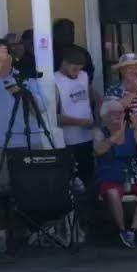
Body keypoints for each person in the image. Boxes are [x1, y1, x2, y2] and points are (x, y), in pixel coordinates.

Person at [0, 39, 51, 254]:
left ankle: (36, 233)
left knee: (32, 190)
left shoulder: (26, 78)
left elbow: (41, 108)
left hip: (27, 140)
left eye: (6, 52)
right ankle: (0, 237)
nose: (5, 55)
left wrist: (22, 93)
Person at [93, 99, 137, 248]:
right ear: (105, 116)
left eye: (121, 113)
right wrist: (120, 130)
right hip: (110, 172)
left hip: (132, 173)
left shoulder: (132, 132)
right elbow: (99, 150)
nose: (119, 116)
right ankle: (122, 230)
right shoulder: (99, 132)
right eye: (114, 113)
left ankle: (132, 230)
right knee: (113, 193)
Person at [53, 49, 99, 190]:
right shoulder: (54, 80)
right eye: (74, 69)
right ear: (64, 63)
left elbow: (94, 97)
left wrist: (97, 115)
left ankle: (90, 207)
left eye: (79, 70)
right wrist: (80, 122)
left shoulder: (83, 76)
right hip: (68, 141)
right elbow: (54, 117)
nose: (76, 73)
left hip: (87, 137)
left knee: (89, 177)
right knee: (70, 180)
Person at [53, 18, 96, 89]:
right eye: (65, 33)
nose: (70, 36)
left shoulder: (82, 52)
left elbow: (89, 73)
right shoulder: (49, 54)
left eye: (71, 33)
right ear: (56, 33)